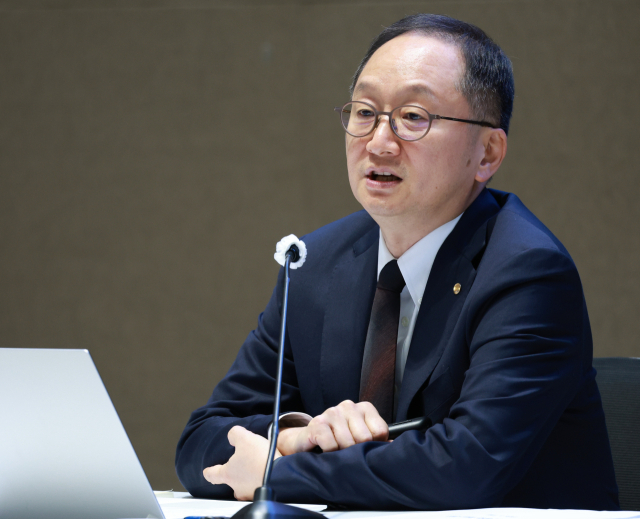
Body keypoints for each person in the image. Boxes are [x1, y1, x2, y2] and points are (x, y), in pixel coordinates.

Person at [175, 14, 619, 510]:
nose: (379, 142)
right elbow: (202, 442)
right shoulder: (315, 264)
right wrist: (294, 435)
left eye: (413, 117)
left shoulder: (527, 273)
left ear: (487, 153)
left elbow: (463, 467)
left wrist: (278, 473)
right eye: (364, 112)